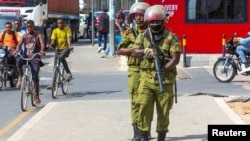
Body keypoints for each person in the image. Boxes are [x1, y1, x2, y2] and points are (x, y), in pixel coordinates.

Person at [131, 6, 181, 141]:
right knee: (143, 109)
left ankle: (161, 137)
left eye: (157, 23)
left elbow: (176, 58)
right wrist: (144, 51)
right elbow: (134, 52)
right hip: (146, 79)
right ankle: (143, 137)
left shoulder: (171, 38)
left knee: (163, 112)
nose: (154, 25)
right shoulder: (143, 36)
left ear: (163, 22)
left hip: (164, 79)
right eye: (152, 22)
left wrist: (164, 69)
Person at [116, 2, 150, 141]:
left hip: (148, 69)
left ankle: (145, 131)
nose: (138, 18)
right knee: (135, 101)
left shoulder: (152, 31)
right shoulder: (129, 32)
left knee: (146, 102)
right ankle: (137, 132)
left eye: (141, 15)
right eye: (136, 15)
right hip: (135, 70)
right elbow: (120, 49)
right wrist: (134, 51)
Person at [14, 20, 46, 104]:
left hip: (35, 57)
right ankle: (21, 78)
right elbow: (19, 44)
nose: (29, 28)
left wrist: (42, 50)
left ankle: (37, 96)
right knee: (18, 62)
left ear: (34, 26)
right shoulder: (24, 36)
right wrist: (16, 50)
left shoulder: (38, 35)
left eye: (31, 27)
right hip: (26, 56)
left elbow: (42, 44)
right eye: (28, 27)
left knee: (35, 77)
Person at [46, 19, 74, 90]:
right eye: (59, 23)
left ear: (64, 23)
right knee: (55, 66)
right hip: (57, 49)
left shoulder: (67, 29)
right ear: (57, 24)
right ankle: (53, 84)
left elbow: (68, 38)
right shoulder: (55, 31)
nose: (60, 25)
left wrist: (70, 46)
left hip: (66, 48)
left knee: (61, 57)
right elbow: (53, 40)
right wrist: (50, 44)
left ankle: (68, 73)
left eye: (61, 23)